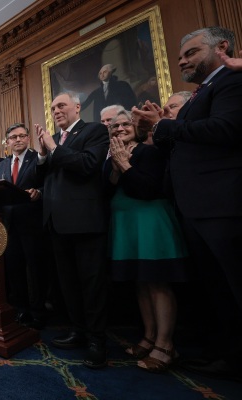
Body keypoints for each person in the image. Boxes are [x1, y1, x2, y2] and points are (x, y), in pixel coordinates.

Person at [132, 26, 242, 381]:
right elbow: (186, 146)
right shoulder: (201, 93)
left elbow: (226, 130)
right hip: (195, 207)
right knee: (216, 290)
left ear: (221, 47)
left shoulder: (231, 82)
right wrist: (161, 130)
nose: (182, 60)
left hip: (224, 205)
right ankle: (230, 356)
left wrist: (164, 126)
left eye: (191, 53)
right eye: (180, 56)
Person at [105, 110, 187, 372]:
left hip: (150, 223)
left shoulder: (149, 151)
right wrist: (116, 166)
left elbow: (148, 189)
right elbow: (106, 190)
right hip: (126, 225)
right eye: (115, 125)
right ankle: (149, 337)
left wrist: (125, 165)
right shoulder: (113, 157)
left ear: (136, 126)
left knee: (157, 283)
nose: (119, 128)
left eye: (125, 124)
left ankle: (165, 345)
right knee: (141, 283)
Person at [36, 92, 110, 369]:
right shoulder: (53, 143)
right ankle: (77, 330)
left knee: (92, 284)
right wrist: (43, 156)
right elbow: (36, 178)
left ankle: (97, 340)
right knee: (68, 284)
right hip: (56, 223)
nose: (56, 110)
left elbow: (88, 165)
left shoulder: (94, 131)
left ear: (77, 107)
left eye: (61, 105)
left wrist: (54, 148)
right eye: (53, 107)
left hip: (85, 222)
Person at [0, 123, 47, 329]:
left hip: (32, 222)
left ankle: (38, 311)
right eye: (13, 137)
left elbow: (47, 182)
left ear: (28, 139)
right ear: (7, 142)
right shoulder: (2, 165)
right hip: (9, 225)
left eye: (22, 136)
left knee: (35, 268)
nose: (18, 140)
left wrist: (40, 193)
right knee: (14, 268)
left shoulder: (38, 159)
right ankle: (22, 308)